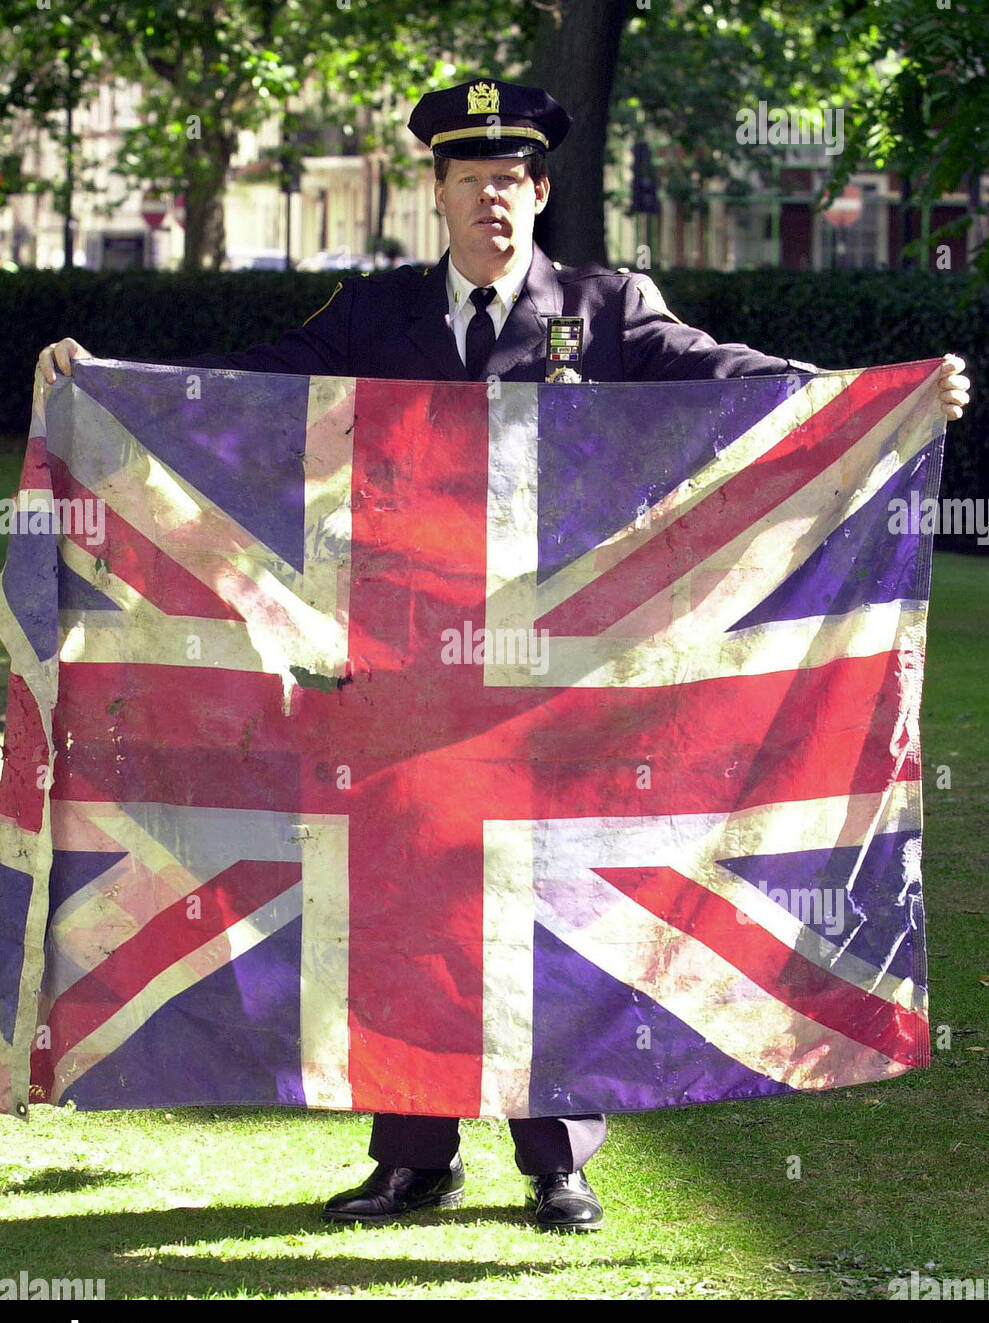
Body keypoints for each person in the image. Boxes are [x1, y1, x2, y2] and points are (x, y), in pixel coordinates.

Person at [38, 79, 971, 1234]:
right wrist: (106, 388)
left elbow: (732, 380)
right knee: (398, 898)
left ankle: (557, 1160)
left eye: (515, 180)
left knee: (541, 900)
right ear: (434, 191)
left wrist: (878, 401)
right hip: (400, 663)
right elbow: (245, 393)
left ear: (539, 193)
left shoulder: (607, 305)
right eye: (472, 179)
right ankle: (413, 1156)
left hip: (553, 674)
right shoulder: (373, 318)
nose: (496, 199)